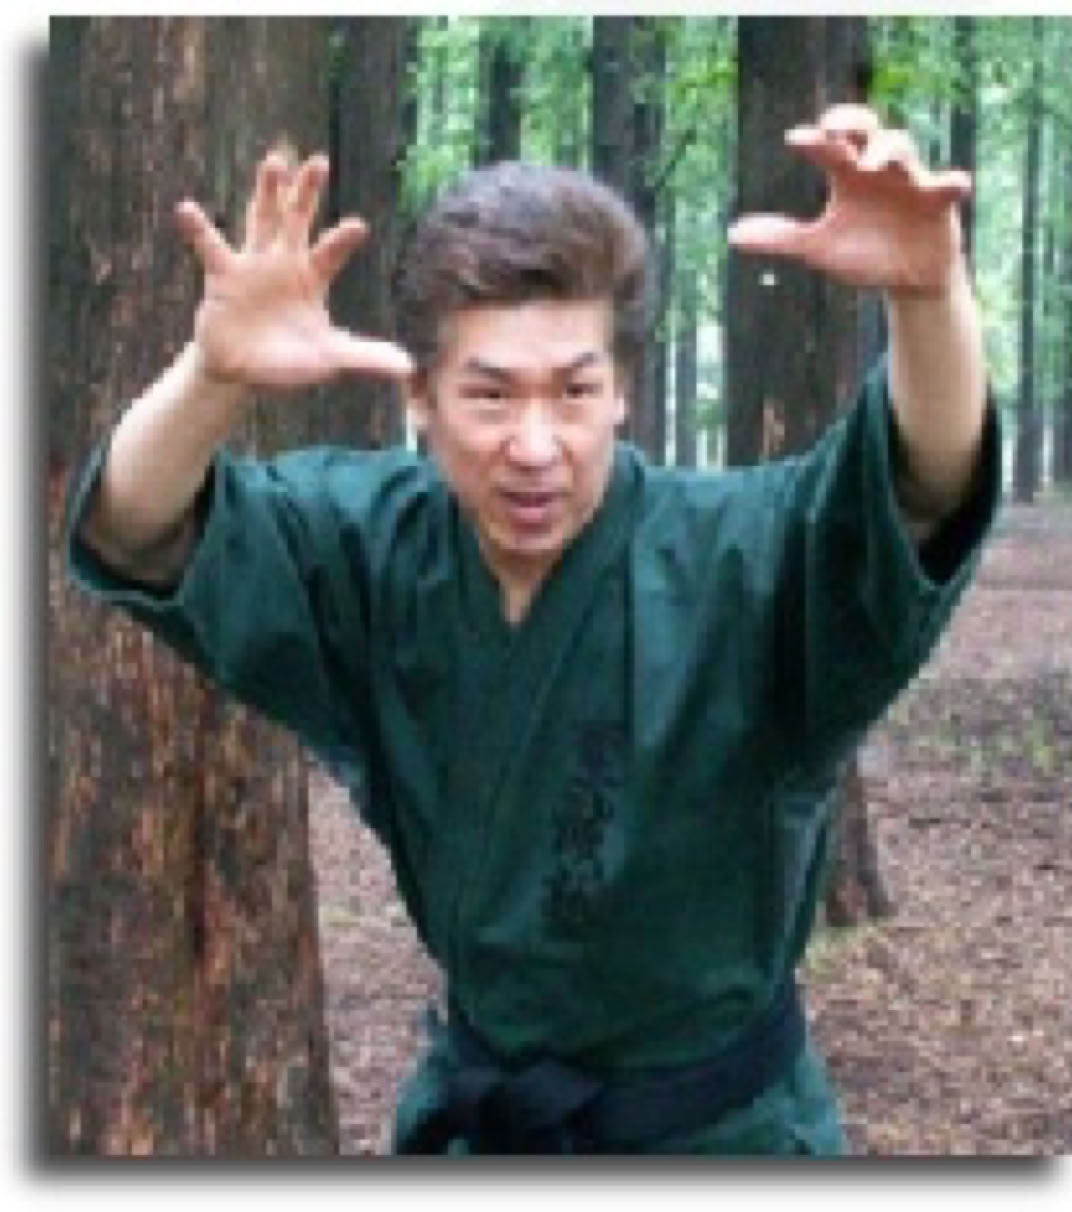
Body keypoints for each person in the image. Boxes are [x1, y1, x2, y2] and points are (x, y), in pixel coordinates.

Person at [65, 104, 999, 1155]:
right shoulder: (378, 549)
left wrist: (927, 300)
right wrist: (211, 375)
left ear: (624, 396)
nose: (535, 445)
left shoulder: (738, 558)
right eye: (491, 395)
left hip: (720, 1138)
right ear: (419, 395)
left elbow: (915, 487)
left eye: (573, 390)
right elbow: (139, 530)